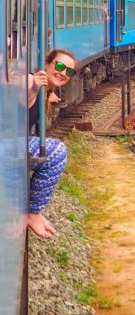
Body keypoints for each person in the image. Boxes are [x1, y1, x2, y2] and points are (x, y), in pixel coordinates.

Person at [25, 48, 76, 238]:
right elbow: (20, 99)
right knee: (57, 151)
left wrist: (46, 94)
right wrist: (33, 90)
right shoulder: (31, 81)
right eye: (60, 66)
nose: (63, 73)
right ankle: (32, 212)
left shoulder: (45, 90)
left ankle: (32, 210)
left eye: (69, 71)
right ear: (47, 63)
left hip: (10, 141)